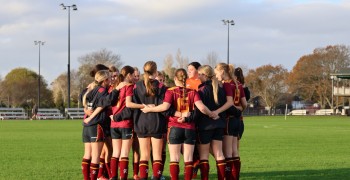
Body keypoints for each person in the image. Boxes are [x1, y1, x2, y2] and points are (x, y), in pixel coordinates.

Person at [141, 68, 217, 180]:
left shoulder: (170, 91)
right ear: (185, 79)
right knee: (188, 159)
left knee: (174, 159)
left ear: (175, 78)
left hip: (174, 128)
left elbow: (165, 107)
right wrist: (211, 114)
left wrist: (150, 109)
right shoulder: (193, 92)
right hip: (190, 128)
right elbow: (201, 108)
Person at [127, 61, 168, 180]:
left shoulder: (137, 85)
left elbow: (131, 104)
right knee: (157, 155)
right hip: (157, 122)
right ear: (155, 71)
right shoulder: (161, 86)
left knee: (143, 155)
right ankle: (156, 177)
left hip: (141, 122)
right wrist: (152, 108)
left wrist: (144, 107)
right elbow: (165, 106)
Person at [81, 70, 119, 180]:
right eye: (109, 78)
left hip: (87, 126)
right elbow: (107, 102)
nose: (111, 80)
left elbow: (83, 99)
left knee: (87, 154)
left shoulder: (91, 90)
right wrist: (116, 90)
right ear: (104, 80)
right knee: (96, 156)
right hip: (96, 125)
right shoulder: (103, 91)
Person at [214, 63, 247, 180]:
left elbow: (228, 103)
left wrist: (217, 111)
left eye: (216, 72)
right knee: (234, 152)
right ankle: (235, 177)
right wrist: (238, 110)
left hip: (228, 120)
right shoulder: (238, 84)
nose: (216, 75)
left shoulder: (226, 85)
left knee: (227, 153)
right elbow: (245, 105)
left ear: (222, 72)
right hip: (238, 121)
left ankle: (229, 177)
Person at [196, 65, 227, 180]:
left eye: (199, 74)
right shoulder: (220, 89)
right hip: (218, 124)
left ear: (204, 75)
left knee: (204, 156)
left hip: (205, 126)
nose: (198, 76)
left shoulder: (201, 90)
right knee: (219, 154)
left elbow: (199, 109)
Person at [186, 61, 202, 178]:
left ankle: (197, 162)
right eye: (188, 70)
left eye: (191, 69)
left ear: (198, 70)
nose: (189, 72)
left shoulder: (201, 83)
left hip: (198, 117)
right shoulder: (186, 81)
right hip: (186, 116)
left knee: (199, 145)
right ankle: (195, 162)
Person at [132, 66, 141, 179]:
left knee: (136, 149)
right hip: (127, 122)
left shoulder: (141, 88)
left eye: (138, 76)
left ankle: (136, 173)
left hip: (138, 122)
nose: (137, 78)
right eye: (135, 76)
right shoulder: (128, 88)